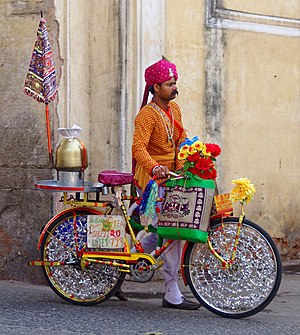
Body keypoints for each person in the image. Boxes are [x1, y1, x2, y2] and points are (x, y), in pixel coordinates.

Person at [125, 57, 200, 310]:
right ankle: (171, 292)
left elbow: (181, 138)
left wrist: (193, 154)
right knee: (171, 231)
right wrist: (155, 167)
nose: (174, 86)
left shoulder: (174, 110)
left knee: (167, 231)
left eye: (175, 82)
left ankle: (130, 255)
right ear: (156, 87)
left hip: (172, 174)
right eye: (169, 83)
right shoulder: (146, 115)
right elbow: (137, 148)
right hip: (153, 178)